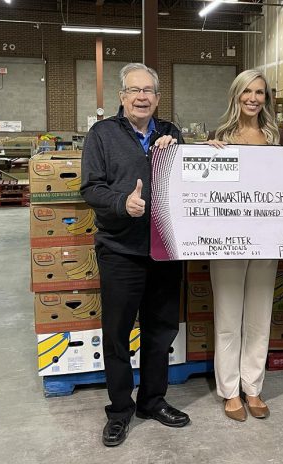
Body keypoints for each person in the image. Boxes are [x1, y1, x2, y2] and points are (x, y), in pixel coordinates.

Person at [81, 63, 189, 447]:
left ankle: (152, 401)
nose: (142, 97)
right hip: (121, 250)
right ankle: (120, 411)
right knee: (117, 335)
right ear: (122, 97)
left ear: (158, 98)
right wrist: (120, 204)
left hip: (165, 249)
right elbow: (90, 188)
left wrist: (179, 148)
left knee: (161, 332)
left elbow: (191, 178)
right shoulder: (102, 135)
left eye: (149, 91)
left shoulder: (171, 133)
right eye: (134, 90)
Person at [206, 69, 283, 422]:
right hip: (229, 240)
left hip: (266, 237)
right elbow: (205, 186)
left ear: (266, 98)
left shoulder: (275, 135)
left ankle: (253, 387)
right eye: (247, 91)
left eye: (260, 92)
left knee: (260, 317)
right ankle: (230, 391)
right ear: (236, 95)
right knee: (229, 317)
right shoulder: (219, 135)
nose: (253, 98)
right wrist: (206, 156)